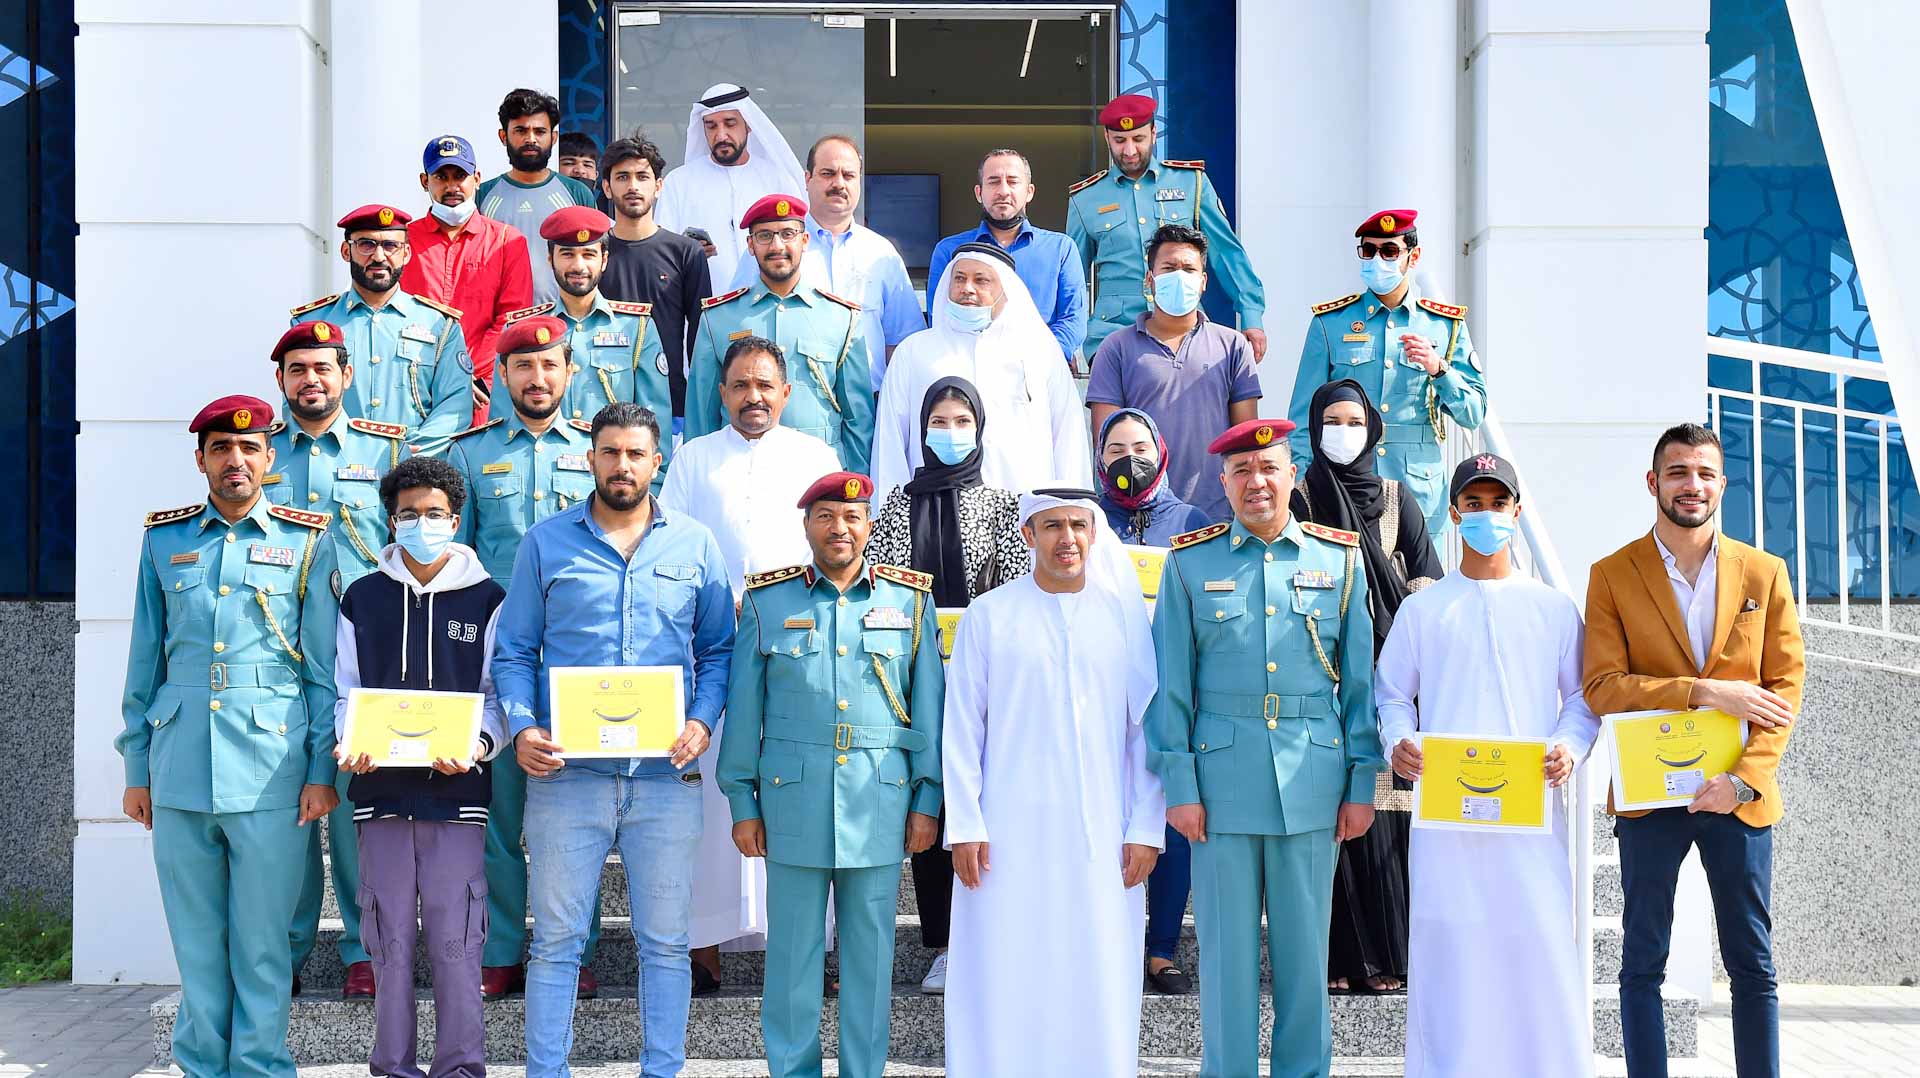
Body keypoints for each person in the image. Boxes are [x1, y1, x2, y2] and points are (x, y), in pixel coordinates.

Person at [492, 401, 734, 1078]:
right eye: (610, 452)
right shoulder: (545, 543)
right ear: (590, 457)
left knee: (665, 943)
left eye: (636, 454)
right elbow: (513, 651)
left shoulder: (696, 545)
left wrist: (702, 719)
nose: (622, 465)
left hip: (665, 777)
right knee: (558, 944)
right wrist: (521, 725)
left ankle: (663, 1070)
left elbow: (718, 651)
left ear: (657, 462)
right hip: (568, 778)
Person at [1146, 417, 1382, 1078]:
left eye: (1269, 468)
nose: (1257, 482)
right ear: (1223, 482)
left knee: (1306, 959)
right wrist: (1181, 785)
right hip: (1220, 789)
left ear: (1292, 477)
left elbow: (1359, 685)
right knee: (1225, 962)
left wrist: (1362, 781)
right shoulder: (1191, 563)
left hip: (1313, 782)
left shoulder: (1338, 559)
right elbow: (1172, 686)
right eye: (1242, 472)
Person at [118, 395, 339, 1078]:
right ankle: (201, 1066)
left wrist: (320, 771)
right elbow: (144, 657)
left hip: (272, 767)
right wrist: (135, 767)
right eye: (221, 448)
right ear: (201, 460)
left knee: (264, 942)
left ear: (270, 459)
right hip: (180, 762)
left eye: (249, 449)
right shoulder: (165, 539)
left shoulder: (308, 538)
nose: (235, 460)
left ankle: (261, 1065)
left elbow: (324, 671)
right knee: (196, 940)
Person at [1584, 422, 1804, 1078]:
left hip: (1736, 793)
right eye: (1678, 472)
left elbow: (1785, 686)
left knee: (1752, 965)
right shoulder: (1612, 574)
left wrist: (1743, 781)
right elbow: (1601, 687)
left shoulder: (1764, 573)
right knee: (1641, 962)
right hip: (1651, 795)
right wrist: (1703, 691)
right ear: (1654, 483)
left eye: (1705, 473)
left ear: (1723, 486)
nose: (1692, 485)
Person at [1378, 452, 1601, 1078]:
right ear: (1454, 513)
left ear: (1517, 511)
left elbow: (1583, 699)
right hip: (1446, 827)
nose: (1485, 515)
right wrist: (1400, 738)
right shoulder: (1423, 610)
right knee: (1452, 958)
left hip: (1530, 820)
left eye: (1497, 503)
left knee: (1537, 953)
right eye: (1472, 504)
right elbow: (1391, 693)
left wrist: (1568, 746)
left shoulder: (1553, 608)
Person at [719, 471, 944, 1078]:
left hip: (878, 800)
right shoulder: (769, 602)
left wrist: (928, 800)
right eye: (825, 516)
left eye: (851, 517)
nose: (839, 528)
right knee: (791, 960)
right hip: (792, 803)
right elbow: (744, 714)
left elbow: (929, 710)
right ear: (807, 525)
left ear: (870, 524)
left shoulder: (908, 600)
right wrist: (743, 801)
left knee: (869, 964)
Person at [942, 485, 1165, 1076]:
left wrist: (1146, 826)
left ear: (1094, 534)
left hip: (1104, 833)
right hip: (1005, 835)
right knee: (1007, 966)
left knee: (1097, 970)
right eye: (1052, 527)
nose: (1067, 539)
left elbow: (1145, 732)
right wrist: (964, 823)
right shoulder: (989, 615)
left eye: (1078, 526)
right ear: (1027, 536)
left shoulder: (1124, 617)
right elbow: (962, 730)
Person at [659, 335, 842, 992]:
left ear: (786, 392)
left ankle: (799, 947)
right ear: (722, 392)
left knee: (795, 789)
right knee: (713, 792)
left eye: (766, 384)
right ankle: (703, 943)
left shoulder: (814, 456)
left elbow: (837, 541)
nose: (754, 396)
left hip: (796, 646)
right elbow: (672, 545)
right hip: (713, 643)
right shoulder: (693, 458)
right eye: (740, 384)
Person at [333, 454, 509, 1078]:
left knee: (458, 940)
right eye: (409, 514)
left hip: (456, 799)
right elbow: (344, 692)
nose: (421, 523)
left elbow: (497, 698)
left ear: (455, 521)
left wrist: (479, 746)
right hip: (378, 794)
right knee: (388, 941)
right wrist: (347, 740)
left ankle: (462, 1067)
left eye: (434, 514)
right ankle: (393, 1067)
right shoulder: (363, 598)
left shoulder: (488, 599)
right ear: (390, 521)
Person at [446, 315, 604, 998]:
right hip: (497, 659)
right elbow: (459, 565)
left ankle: (575, 950)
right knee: (500, 816)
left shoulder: (601, 451)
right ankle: (504, 945)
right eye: (522, 367)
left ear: (570, 373)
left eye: (549, 366)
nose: (537, 379)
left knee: (580, 818)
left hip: (581, 660)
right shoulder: (470, 455)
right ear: (500, 376)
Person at [865, 377, 1031, 993]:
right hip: (912, 683)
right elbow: (881, 589)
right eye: (940, 419)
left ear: (980, 429)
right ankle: (943, 943)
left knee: (983, 804)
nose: (951, 431)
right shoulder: (894, 508)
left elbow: (1014, 593)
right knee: (930, 808)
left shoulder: (1004, 506)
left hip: (984, 680)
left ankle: (991, 933)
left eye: (963, 420)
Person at [264, 321, 409, 1001]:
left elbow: (412, 550)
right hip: (282, 656)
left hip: (364, 656)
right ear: (283, 382)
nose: (311, 381)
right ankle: (286, 950)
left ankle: (363, 947)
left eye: (323, 368)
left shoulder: (386, 451)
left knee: (357, 812)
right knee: (290, 812)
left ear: (346, 376)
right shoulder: (259, 454)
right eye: (298, 370)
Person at [1292, 378, 1442, 995]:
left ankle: (1389, 959)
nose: (1343, 432)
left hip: (1390, 682)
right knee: (1334, 821)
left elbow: (1427, 580)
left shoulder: (1396, 497)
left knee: (1385, 821)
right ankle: (1335, 961)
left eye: (1354, 421)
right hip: (1318, 677)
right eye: (1332, 420)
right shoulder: (1299, 497)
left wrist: (1402, 659)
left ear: (1374, 429)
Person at [1089, 406, 1206, 996]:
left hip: (1170, 692)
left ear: (1160, 452)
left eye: (1138, 446)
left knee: (1171, 818)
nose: (1126, 459)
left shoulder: (1191, 520)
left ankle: (1160, 947)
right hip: (1099, 692)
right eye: (1114, 450)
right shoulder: (1084, 522)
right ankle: (1108, 940)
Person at [1287, 208, 1486, 539]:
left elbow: (1474, 413)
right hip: (1344, 479)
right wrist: (1301, 482)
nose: (1378, 259)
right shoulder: (1330, 322)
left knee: (1418, 583)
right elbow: (1303, 413)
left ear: (1413, 256)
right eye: (1369, 250)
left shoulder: (1444, 324)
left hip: (1418, 485)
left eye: (1390, 251)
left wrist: (1439, 369)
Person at [871, 242, 1089, 498]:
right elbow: (890, 443)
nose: (968, 288)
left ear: (1006, 291)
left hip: (1025, 515)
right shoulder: (913, 352)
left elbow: (1068, 438)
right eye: (959, 279)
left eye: (981, 280)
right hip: (935, 515)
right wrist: (889, 516)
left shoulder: (1040, 351)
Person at [1068, 94, 1267, 362]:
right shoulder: (1086, 198)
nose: (1129, 151)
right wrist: (1066, 340)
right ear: (1106, 138)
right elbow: (1072, 280)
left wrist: (1251, 316)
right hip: (1112, 334)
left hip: (1185, 329)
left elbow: (1227, 255)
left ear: (1153, 133)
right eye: (1119, 141)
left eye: (1138, 139)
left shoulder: (1191, 183)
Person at [687, 194, 874, 473]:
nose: (777, 246)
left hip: (818, 475)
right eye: (764, 236)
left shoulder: (841, 317)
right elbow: (701, 416)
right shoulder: (718, 318)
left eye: (788, 234)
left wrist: (856, 490)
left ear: (805, 241)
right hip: (738, 471)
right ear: (750, 245)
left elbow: (858, 420)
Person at [1088, 223, 1263, 522]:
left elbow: (1245, 443)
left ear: (1204, 281)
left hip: (1216, 517)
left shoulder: (1233, 346)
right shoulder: (1115, 348)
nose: (1179, 276)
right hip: (1136, 520)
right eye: (1168, 268)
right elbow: (1107, 444)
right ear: (1150, 280)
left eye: (1188, 269)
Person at [727, 135, 923, 390]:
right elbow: (736, 327)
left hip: (868, 406)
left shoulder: (882, 255)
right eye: (828, 173)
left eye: (849, 175)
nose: (839, 183)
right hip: (790, 406)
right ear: (807, 179)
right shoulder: (774, 249)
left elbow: (901, 343)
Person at [291, 204, 473, 453]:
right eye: (366, 244)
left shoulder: (440, 324)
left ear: (406, 253)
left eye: (390, 246)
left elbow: (455, 405)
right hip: (337, 464)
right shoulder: (312, 322)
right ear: (346, 251)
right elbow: (297, 401)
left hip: (414, 470)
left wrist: (407, 456)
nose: (378, 256)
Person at [497, 206, 672, 448]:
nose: (578, 266)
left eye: (589, 254)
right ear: (550, 259)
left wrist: (655, 479)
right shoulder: (523, 330)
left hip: (612, 471)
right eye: (567, 254)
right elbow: (502, 419)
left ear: (605, 259)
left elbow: (655, 417)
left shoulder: (637, 327)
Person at [402, 134, 534, 421]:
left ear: (476, 178)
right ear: (425, 181)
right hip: (414, 389)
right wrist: (435, 378)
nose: (452, 186)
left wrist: (461, 374)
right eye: (441, 176)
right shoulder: (402, 242)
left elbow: (511, 318)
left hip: (481, 389)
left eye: (460, 176)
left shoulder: (507, 241)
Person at [925, 149, 1086, 364]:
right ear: (978, 192)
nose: (1003, 190)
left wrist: (1037, 359)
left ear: (1029, 191)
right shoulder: (950, 251)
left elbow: (1073, 320)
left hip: (1040, 374)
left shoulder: (1060, 249)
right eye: (993, 182)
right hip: (967, 372)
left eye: (1012, 181)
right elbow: (940, 318)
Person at [598, 136, 712, 423]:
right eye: (622, 177)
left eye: (642, 176)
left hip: (670, 406)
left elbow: (700, 339)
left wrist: (699, 408)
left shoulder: (687, 253)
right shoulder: (593, 254)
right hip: (602, 399)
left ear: (659, 186)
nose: (633, 186)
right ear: (607, 188)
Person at [656, 83, 808, 291]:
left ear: (748, 124)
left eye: (730, 123)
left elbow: (800, 248)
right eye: (711, 126)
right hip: (703, 315)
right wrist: (687, 253)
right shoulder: (678, 183)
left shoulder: (778, 180)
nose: (721, 135)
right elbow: (661, 257)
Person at [477, 89, 598, 309]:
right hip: (500, 325)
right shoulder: (482, 195)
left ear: (553, 138)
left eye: (539, 131)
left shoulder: (577, 193)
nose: (531, 139)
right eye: (521, 130)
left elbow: (594, 260)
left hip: (564, 325)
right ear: (503, 136)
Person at [1095, 408, 1210, 547]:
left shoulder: (1192, 521)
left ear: (1160, 453)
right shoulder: (1090, 520)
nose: (1131, 459)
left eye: (1141, 450)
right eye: (1117, 451)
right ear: (1101, 458)